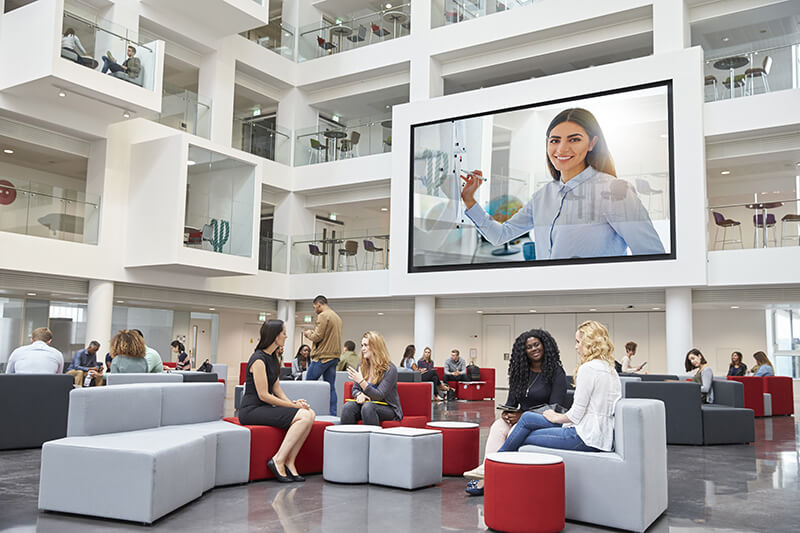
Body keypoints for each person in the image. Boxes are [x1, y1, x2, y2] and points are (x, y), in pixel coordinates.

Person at [461, 108, 664, 260]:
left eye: (574, 140)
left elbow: (651, 255)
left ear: (592, 143)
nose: (562, 149)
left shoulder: (615, 191)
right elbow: (500, 235)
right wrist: (469, 200)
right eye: (554, 140)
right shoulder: (543, 196)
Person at [491, 321, 621, 456]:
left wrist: (556, 417)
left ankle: (496, 461)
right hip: (601, 436)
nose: (576, 347)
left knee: (519, 432)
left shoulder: (587, 369)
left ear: (589, 343)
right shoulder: (610, 369)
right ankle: (496, 462)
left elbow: (576, 415)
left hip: (585, 437)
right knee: (526, 420)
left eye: (578, 342)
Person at [464, 329, 567, 495]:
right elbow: (511, 402)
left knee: (513, 430)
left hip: (544, 420)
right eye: (529, 347)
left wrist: (521, 416)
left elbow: (555, 407)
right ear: (523, 351)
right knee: (498, 426)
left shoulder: (556, 372)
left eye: (536, 344)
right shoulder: (520, 372)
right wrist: (507, 413)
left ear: (544, 345)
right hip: (522, 418)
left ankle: (488, 476)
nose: (534, 349)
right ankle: (487, 469)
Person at [239, 320, 315, 483]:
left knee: (309, 413)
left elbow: (277, 389)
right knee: (303, 415)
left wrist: (294, 404)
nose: (286, 336)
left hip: (264, 407)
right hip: (251, 410)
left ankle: (290, 462)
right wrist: (294, 406)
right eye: (284, 333)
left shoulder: (273, 357)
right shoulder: (258, 359)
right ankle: (278, 459)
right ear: (275, 336)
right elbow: (264, 395)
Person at [341, 331, 402, 426]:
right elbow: (355, 389)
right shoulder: (361, 366)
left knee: (368, 407)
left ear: (375, 347)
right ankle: (347, 439)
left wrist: (361, 381)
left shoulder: (389, 369)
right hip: (367, 405)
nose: (362, 349)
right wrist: (359, 394)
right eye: (362, 345)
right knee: (348, 407)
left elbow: (379, 395)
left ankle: (371, 440)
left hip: (387, 408)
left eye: (366, 345)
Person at [303, 295, 342, 416]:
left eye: (315, 307)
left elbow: (317, 336)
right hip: (334, 357)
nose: (315, 310)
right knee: (330, 388)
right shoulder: (337, 317)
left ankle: (305, 412)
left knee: (308, 384)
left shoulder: (323, 316)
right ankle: (332, 414)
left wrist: (308, 333)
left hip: (322, 357)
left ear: (319, 304)